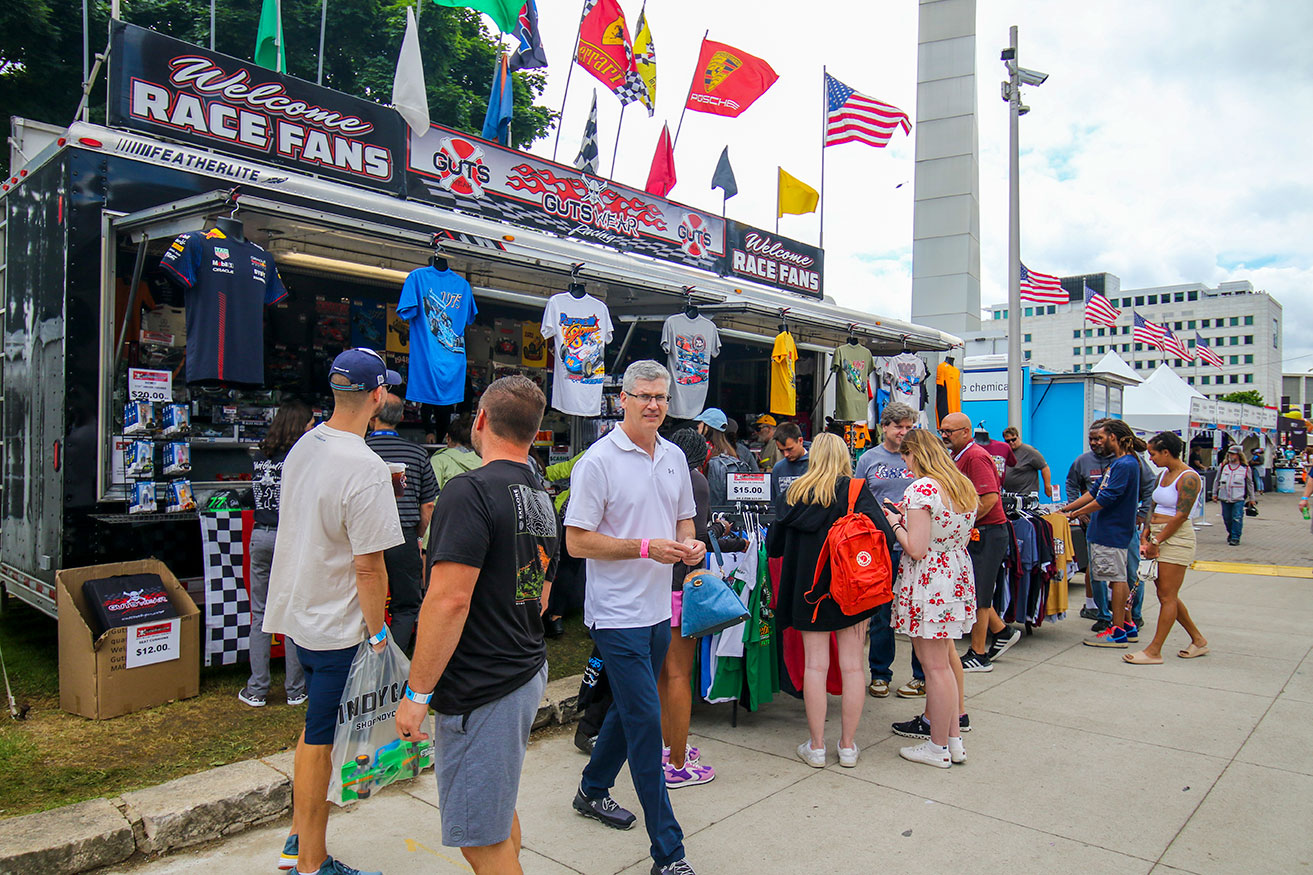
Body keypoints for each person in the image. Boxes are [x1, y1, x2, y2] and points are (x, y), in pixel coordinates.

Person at [393, 375, 557, 874]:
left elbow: (448, 602)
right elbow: (542, 593)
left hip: (482, 684)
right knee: (496, 812)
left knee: (479, 840)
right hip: (523, 667)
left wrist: (416, 694)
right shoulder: (539, 493)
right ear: (534, 431)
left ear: (480, 421)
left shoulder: (467, 491)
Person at [263, 348, 405, 875]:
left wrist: (380, 480)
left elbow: (321, 501)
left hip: (302, 614)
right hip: (339, 625)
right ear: (378, 395)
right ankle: (311, 862)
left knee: (314, 729)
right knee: (322, 739)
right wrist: (378, 635)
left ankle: (298, 838)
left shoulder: (307, 443)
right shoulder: (364, 467)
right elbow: (370, 568)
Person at [565, 360, 704, 875]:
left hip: (655, 612)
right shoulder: (597, 461)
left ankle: (592, 789)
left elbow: (684, 518)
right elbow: (576, 541)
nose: (653, 405)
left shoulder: (672, 457)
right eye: (644, 396)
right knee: (647, 722)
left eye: (661, 398)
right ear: (621, 398)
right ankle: (669, 853)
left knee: (628, 710)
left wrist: (691, 545)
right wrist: (646, 547)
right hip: (616, 615)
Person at [767, 433, 896, 769]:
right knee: (853, 666)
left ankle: (817, 746)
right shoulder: (854, 491)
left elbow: (774, 547)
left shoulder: (792, 494)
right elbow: (885, 535)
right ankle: (848, 746)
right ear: (843, 457)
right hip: (852, 592)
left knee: (815, 666)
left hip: (807, 594)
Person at [883, 428, 978, 768]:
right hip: (954, 573)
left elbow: (917, 548)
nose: (905, 464)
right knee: (944, 665)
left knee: (934, 667)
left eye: (906, 456)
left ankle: (937, 747)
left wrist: (895, 522)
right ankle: (952, 740)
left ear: (915, 454)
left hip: (929, 581)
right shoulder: (959, 484)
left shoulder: (922, 489)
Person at [657, 429, 725, 790]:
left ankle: (667, 748)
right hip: (681, 586)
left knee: (662, 676)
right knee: (680, 675)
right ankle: (678, 764)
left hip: (653, 587)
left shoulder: (657, 475)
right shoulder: (695, 481)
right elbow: (697, 535)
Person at [240, 400, 312, 709]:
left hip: (260, 535)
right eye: (309, 424)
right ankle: (295, 690)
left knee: (260, 614)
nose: (313, 428)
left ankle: (257, 688)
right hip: (290, 538)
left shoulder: (260, 455)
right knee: (292, 615)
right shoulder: (302, 458)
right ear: (299, 425)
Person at [940, 412, 1020, 672]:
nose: (944, 436)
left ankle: (978, 654)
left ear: (966, 432)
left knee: (980, 595)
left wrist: (964, 525)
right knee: (975, 590)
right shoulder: (961, 455)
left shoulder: (975, 456)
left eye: (949, 431)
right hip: (980, 531)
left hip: (986, 532)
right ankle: (1002, 632)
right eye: (942, 430)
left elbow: (989, 500)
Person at [855, 401, 924, 699]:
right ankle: (880, 673)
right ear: (884, 427)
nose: (903, 433)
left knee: (917, 611)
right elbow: (857, 498)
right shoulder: (868, 459)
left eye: (909, 427)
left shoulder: (919, 458)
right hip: (880, 546)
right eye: (899, 427)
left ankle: (921, 676)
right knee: (882, 613)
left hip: (915, 546)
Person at [1124, 432, 1209, 664]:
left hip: (1175, 537)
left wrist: (1157, 540)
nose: (1150, 458)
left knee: (1167, 596)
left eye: (1152, 453)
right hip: (1157, 534)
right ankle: (1198, 640)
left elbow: (1181, 515)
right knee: (1167, 594)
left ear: (1166, 452)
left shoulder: (1189, 478)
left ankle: (1155, 650)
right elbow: (1153, 503)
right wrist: (1146, 531)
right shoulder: (1164, 474)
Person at [365, 393, 439, 654]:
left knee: (360, 602)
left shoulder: (359, 450)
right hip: (403, 537)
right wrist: (418, 536)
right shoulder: (417, 453)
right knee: (406, 605)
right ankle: (393, 662)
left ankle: (365, 659)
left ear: (373, 416)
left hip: (364, 538)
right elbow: (428, 505)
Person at [1062, 419, 1143, 649]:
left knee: (1116, 579)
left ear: (1114, 438)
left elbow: (1106, 498)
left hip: (1111, 531)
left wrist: (1076, 513)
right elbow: (1094, 491)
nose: (1099, 442)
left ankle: (1117, 630)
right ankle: (1126, 625)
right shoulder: (1118, 463)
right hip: (1111, 531)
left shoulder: (1125, 464)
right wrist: (1067, 509)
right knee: (1118, 577)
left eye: (1103, 437)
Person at [1067, 420, 1113, 622]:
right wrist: (1076, 509)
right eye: (1091, 439)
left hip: (1116, 524)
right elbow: (1072, 484)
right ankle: (1093, 605)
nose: (1094, 443)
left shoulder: (1125, 461)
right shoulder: (1082, 461)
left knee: (1118, 570)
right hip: (1092, 524)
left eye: (1098, 439)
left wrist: (1142, 513)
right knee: (1094, 566)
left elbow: (1146, 486)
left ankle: (1116, 606)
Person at [698, 408, 754, 507]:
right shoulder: (730, 451)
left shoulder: (704, 450)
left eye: (701, 423)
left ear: (707, 427)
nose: (698, 426)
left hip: (708, 507)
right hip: (728, 509)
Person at [1215, 445, 1255, 546]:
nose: (1230, 456)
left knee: (1237, 517)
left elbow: (1250, 484)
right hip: (1224, 496)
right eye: (1229, 453)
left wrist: (1252, 498)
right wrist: (1214, 493)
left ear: (1238, 455)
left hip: (1239, 497)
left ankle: (1235, 537)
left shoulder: (1245, 468)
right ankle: (1231, 533)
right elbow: (1217, 480)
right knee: (1227, 518)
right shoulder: (1223, 466)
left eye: (1233, 454)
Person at [1001, 426, 1052, 499]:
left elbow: (1044, 467)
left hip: (1026, 495)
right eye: (1008, 441)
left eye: (1013, 439)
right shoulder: (1006, 452)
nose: (1011, 443)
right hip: (1010, 494)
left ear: (1018, 437)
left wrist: (1047, 486)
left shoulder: (1030, 451)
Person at [771, 422, 809, 505]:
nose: (786, 454)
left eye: (789, 449)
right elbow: (774, 503)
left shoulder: (816, 464)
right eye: (781, 450)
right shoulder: (778, 468)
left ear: (800, 441)